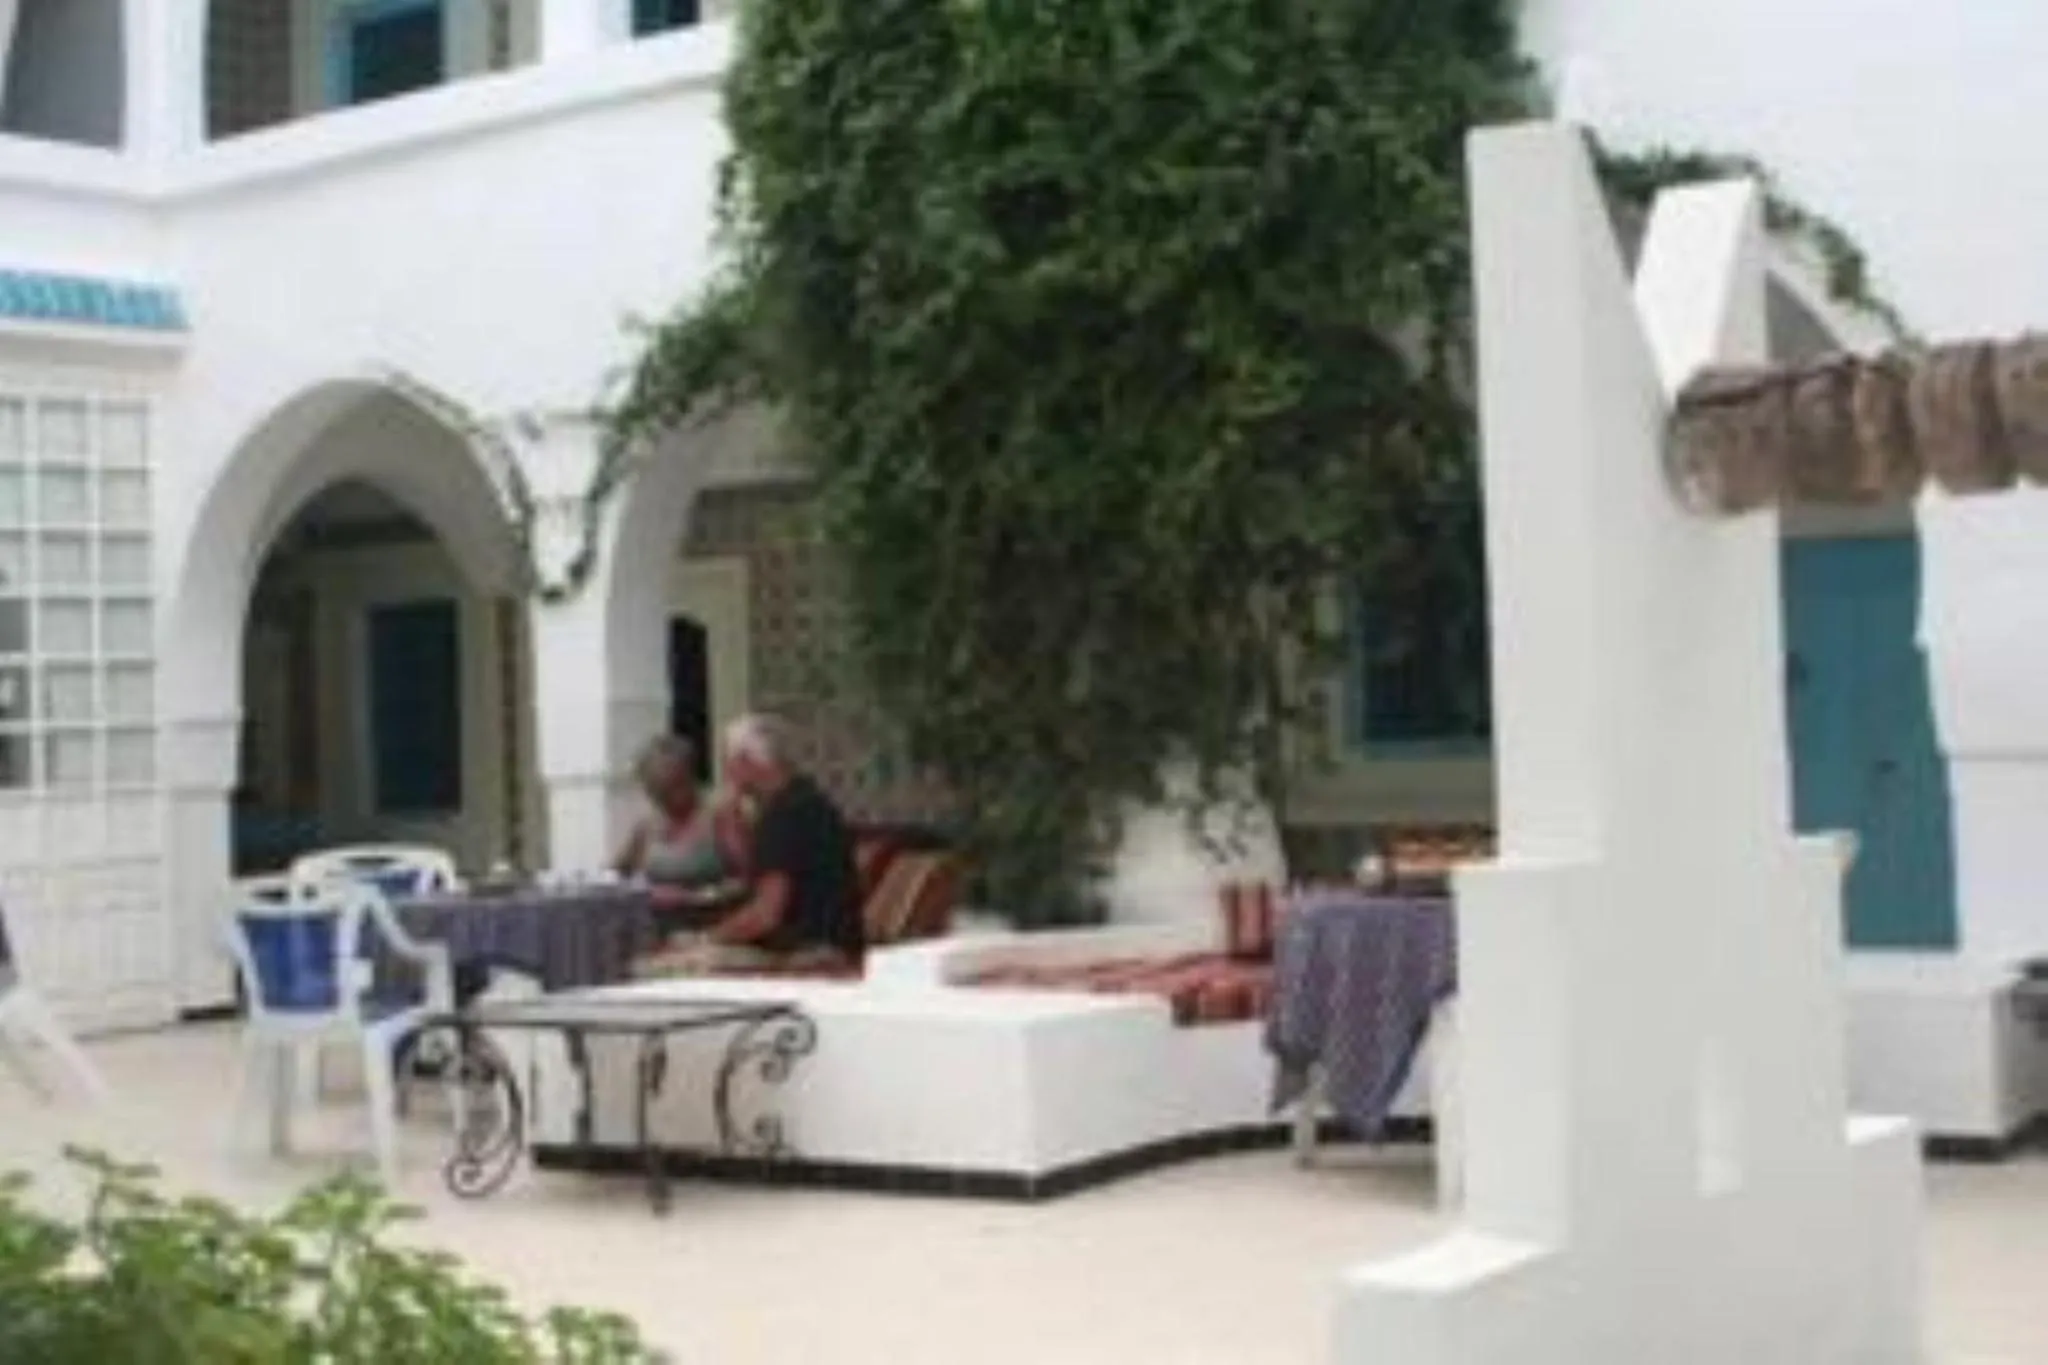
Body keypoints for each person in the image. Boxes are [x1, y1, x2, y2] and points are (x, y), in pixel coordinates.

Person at [639, 714, 863, 975]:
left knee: (657, 967)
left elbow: (765, 915)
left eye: (727, 763)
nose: (725, 774)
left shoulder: (782, 817)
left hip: (806, 953)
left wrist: (705, 938)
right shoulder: (810, 801)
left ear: (745, 761)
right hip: (829, 942)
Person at [613, 735, 749, 904]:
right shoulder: (647, 825)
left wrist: (692, 897)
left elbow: (748, 881)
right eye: (656, 792)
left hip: (710, 919)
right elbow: (616, 874)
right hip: (656, 921)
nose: (665, 800)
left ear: (688, 778)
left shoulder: (722, 815)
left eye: (671, 789)